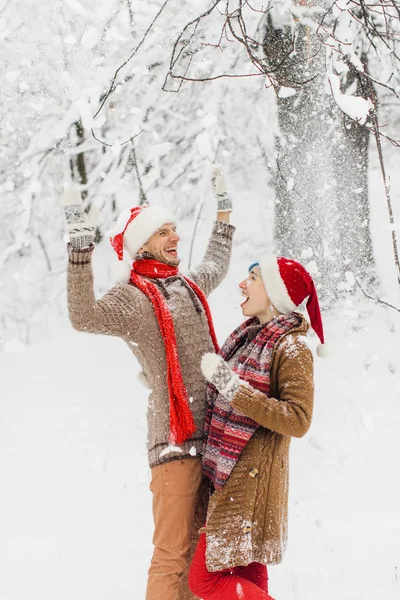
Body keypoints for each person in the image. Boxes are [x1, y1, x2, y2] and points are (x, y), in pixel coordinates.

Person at [61, 165, 235, 600]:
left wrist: (225, 212)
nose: (175, 237)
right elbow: (84, 317)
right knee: (173, 552)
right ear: (142, 245)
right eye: (164, 233)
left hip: (213, 436)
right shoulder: (133, 298)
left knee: (203, 556)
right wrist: (80, 252)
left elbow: (215, 263)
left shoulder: (187, 286)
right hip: (174, 442)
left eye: (175, 229)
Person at [188, 256, 326, 600]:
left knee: (203, 581)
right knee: (246, 575)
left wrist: (234, 388)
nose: (242, 284)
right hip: (231, 478)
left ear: (276, 292)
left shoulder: (291, 346)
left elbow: (298, 419)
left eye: (253, 277)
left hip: (251, 487)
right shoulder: (249, 339)